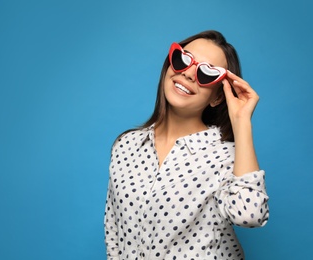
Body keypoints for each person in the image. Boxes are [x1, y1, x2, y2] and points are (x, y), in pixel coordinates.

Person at [104, 30, 269, 260]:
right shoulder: (126, 145)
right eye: (183, 59)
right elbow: (114, 230)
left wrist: (241, 121)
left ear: (217, 97)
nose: (190, 74)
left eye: (207, 72)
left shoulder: (228, 156)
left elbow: (250, 215)